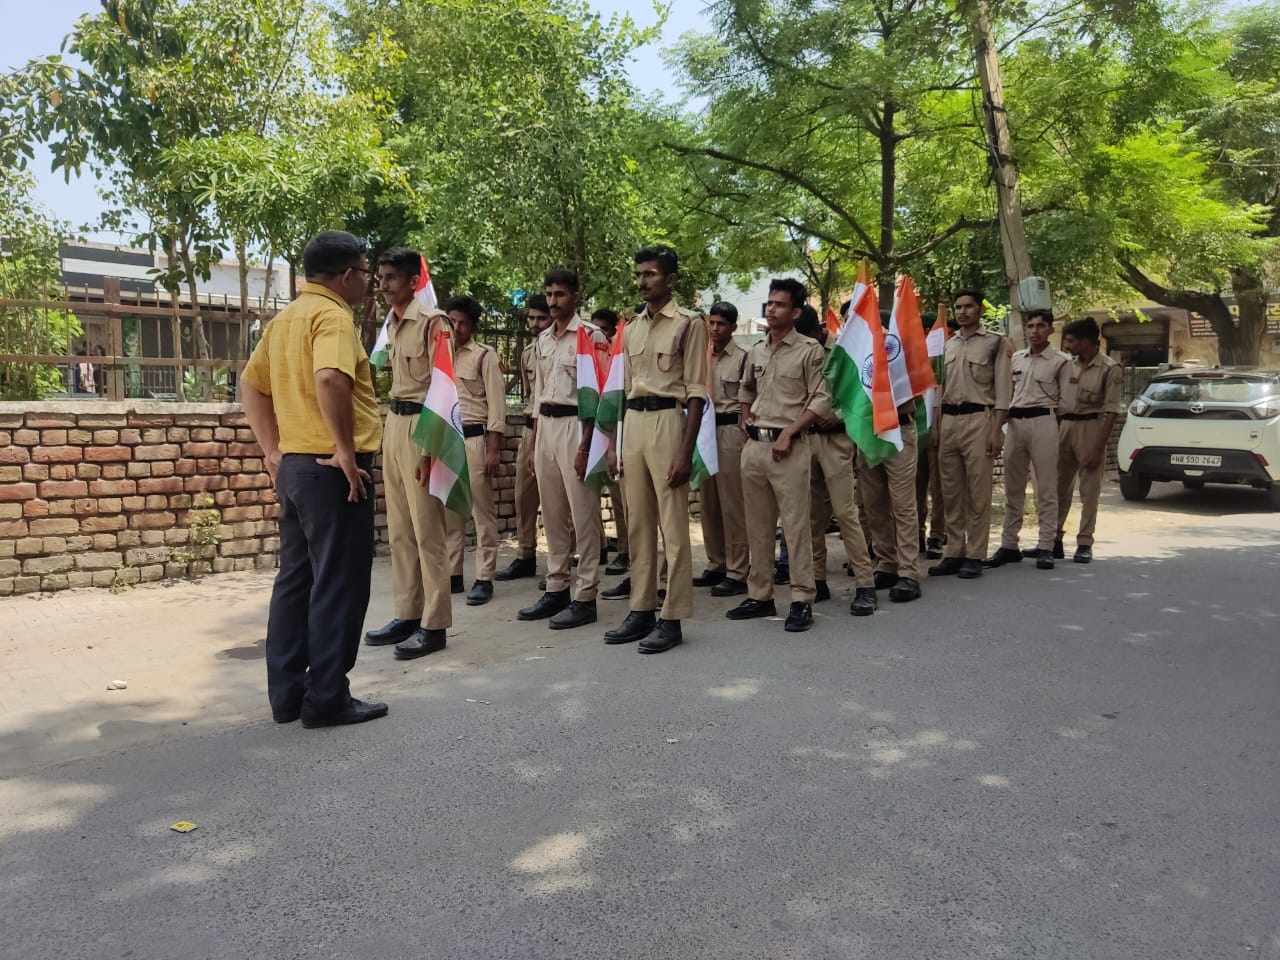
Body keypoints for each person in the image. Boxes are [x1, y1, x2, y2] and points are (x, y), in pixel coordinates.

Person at [240, 230, 388, 728]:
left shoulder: (285, 320)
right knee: (339, 583)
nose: (367, 281)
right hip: (332, 470)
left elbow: (251, 385)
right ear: (347, 275)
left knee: (296, 580)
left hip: (297, 469)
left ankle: (287, 695)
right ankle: (327, 696)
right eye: (365, 272)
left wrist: (271, 453)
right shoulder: (332, 316)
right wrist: (345, 451)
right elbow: (330, 377)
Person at [603, 246, 708, 653]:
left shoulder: (689, 324)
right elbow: (623, 390)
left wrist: (686, 451)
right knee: (638, 524)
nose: (642, 282)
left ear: (670, 278)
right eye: (639, 275)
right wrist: (615, 442)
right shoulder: (630, 328)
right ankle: (641, 608)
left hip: (668, 420)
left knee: (674, 527)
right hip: (635, 423)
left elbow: (697, 391)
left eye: (650, 274)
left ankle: (673, 616)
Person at [361, 247, 455, 661]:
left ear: (413, 282)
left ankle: (434, 624)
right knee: (399, 531)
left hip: (422, 425)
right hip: (395, 424)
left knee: (427, 532)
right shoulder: (393, 324)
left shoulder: (433, 324)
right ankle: (407, 613)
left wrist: (429, 449)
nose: (382, 286)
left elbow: (443, 388)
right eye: (380, 278)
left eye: (391, 278)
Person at [726, 278, 832, 633]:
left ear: (796, 311)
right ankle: (760, 594)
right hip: (755, 447)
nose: (771, 309)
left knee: (795, 526)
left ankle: (802, 598)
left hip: (789, 448)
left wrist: (790, 431)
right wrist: (744, 415)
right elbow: (745, 388)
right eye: (769, 304)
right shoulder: (757, 350)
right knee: (757, 525)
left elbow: (821, 398)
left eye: (780, 305)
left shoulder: (808, 350)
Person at [517, 269, 607, 630]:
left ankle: (586, 595)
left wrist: (587, 445)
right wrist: (535, 443)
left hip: (576, 427)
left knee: (583, 515)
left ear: (576, 296)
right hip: (547, 428)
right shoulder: (543, 341)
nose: (553, 302)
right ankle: (557, 587)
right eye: (549, 294)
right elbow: (539, 397)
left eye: (560, 295)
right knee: (551, 513)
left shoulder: (590, 336)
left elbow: (598, 396)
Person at [793, 304, 878, 616]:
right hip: (805, 439)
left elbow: (862, 394)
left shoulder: (845, 350)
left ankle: (865, 585)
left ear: (819, 331)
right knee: (812, 515)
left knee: (845, 513)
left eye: (807, 337)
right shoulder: (796, 348)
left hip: (836, 439)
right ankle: (817, 579)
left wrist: (839, 418)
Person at [928, 290, 1011, 580]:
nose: (963, 312)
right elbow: (938, 390)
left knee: (978, 492)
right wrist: (936, 427)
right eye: (958, 307)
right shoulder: (947, 346)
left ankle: (975, 554)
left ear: (979, 310)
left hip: (979, 419)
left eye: (969, 306)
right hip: (949, 420)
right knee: (950, 492)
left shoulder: (995, 343)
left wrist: (997, 431)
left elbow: (1003, 391)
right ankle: (954, 551)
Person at [986, 309, 1073, 570]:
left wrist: (1047, 421)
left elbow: (1066, 402)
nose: (1034, 331)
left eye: (1040, 326)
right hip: (1015, 423)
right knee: (1012, 487)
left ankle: (1046, 545)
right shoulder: (1017, 359)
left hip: (1044, 421)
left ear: (1051, 330)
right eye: (1031, 326)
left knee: (1045, 487)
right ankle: (1009, 544)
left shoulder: (1061, 361)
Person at [445, 295, 507, 604]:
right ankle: (453, 573)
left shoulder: (485, 356)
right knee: (451, 511)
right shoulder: (439, 355)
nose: (456, 328)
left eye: (463, 323)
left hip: (475, 439)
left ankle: (485, 577)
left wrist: (493, 449)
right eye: (452, 321)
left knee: (482, 513)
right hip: (447, 441)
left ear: (473, 327)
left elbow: (497, 406)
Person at [1055, 317, 1123, 564]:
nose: (1067, 346)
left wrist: (1098, 447)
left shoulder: (1109, 368)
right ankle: (1054, 538)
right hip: (1065, 426)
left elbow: (1112, 411)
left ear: (1085, 342)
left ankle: (1084, 542)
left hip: (1090, 427)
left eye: (1071, 341)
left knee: (1089, 490)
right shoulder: (1066, 365)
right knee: (1058, 486)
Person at [694, 301, 750, 597]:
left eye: (721, 324)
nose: (715, 329)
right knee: (708, 501)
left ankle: (738, 570)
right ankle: (716, 563)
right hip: (703, 430)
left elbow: (750, 397)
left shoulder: (742, 358)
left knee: (732, 503)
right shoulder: (700, 356)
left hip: (730, 431)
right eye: (712, 323)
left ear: (733, 327)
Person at [496, 297, 551, 582]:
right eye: (530, 318)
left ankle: (562, 559)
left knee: (558, 496)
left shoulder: (567, 347)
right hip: (531, 427)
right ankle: (525, 554)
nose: (534, 324)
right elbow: (530, 395)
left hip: (558, 426)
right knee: (524, 494)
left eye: (540, 318)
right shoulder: (528, 353)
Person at [592, 307, 629, 575]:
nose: (598, 335)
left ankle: (626, 551)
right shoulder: (586, 356)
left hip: (617, 429)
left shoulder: (619, 356)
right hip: (591, 429)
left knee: (619, 496)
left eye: (603, 329)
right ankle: (598, 547)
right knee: (589, 492)